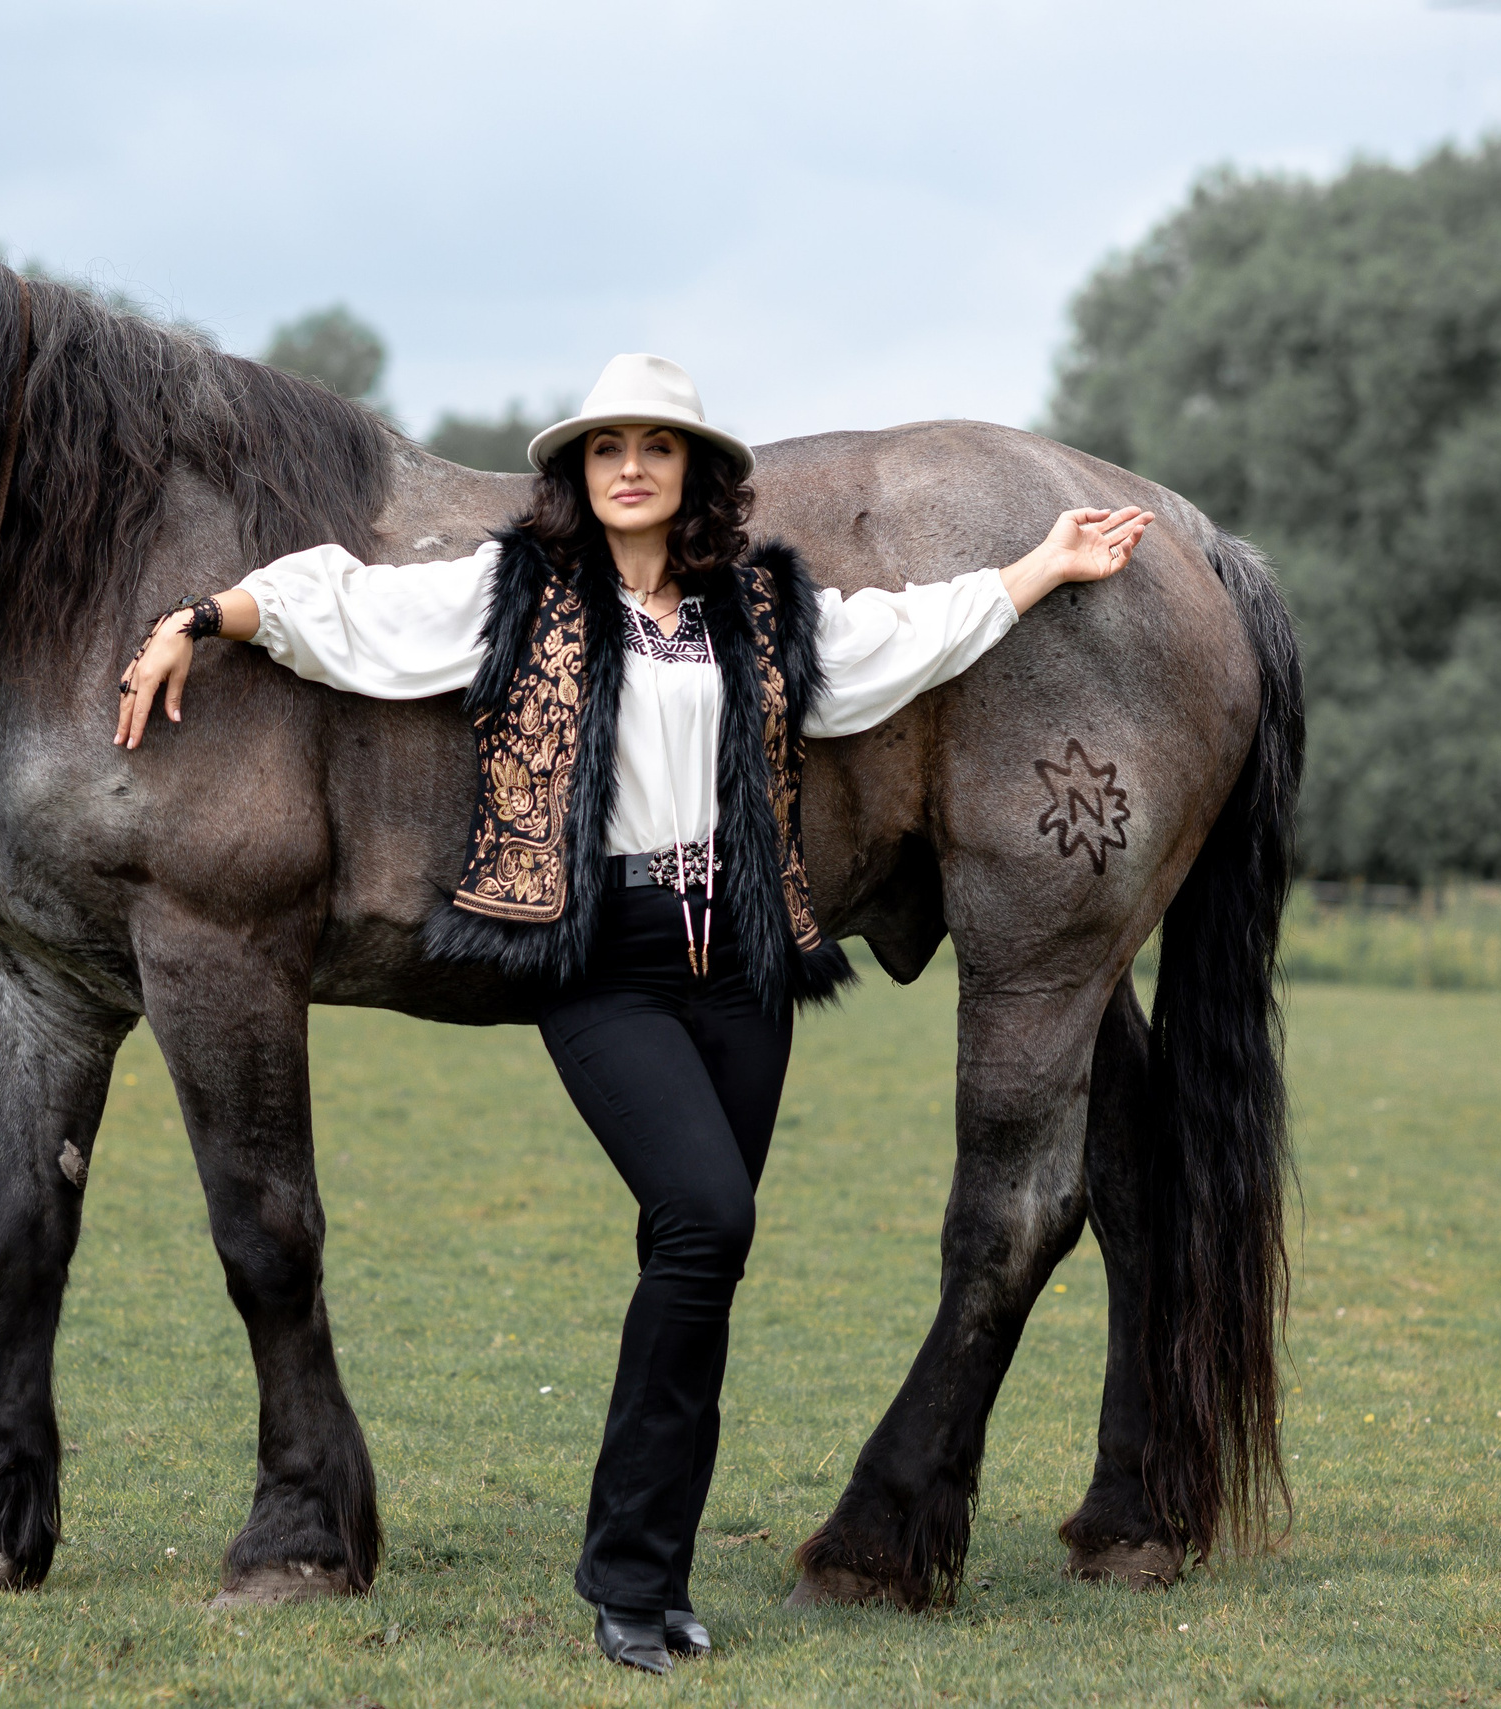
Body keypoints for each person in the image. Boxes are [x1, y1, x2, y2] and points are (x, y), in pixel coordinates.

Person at [112, 354, 1148, 1673]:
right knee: (705, 1215)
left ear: (694, 474)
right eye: (608, 450)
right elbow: (352, 607)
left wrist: (1038, 567)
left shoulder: (760, 608)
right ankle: (625, 1572)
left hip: (744, 965)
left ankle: (653, 1577)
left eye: (657, 448)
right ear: (581, 474)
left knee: (703, 1268)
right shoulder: (524, 598)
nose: (631, 468)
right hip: (600, 957)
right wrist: (201, 618)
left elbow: (901, 643)